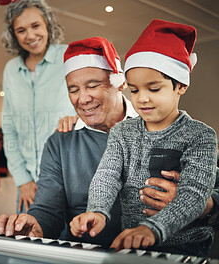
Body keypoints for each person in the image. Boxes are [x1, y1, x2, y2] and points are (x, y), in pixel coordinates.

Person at [0, 36, 219, 249]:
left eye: (92, 86)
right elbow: (49, 208)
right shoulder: (60, 141)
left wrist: (203, 206)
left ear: (118, 83)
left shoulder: (192, 134)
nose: (82, 98)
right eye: (73, 90)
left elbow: (210, 189)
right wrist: (34, 223)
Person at [70, 20, 217, 256]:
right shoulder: (122, 132)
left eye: (154, 89)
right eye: (135, 90)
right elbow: (107, 175)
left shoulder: (200, 136)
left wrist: (152, 229)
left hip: (187, 247)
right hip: (134, 244)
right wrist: (97, 210)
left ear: (180, 86)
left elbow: (195, 194)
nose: (142, 99)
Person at [0, 0, 75, 213]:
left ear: (48, 25)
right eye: (21, 30)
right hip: (28, 186)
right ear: (13, 35)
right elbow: (9, 129)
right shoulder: (11, 70)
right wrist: (23, 181)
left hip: (67, 181)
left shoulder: (68, 56)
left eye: (35, 26)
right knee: (26, 243)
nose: (30, 36)